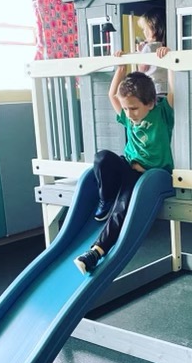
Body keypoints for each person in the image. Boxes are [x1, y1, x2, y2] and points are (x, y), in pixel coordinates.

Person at [74, 47, 173, 275]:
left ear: (150, 103)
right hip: (127, 166)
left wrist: (169, 62)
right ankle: (104, 199)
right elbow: (112, 95)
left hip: (148, 176)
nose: (129, 114)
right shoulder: (129, 116)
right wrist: (121, 68)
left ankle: (95, 252)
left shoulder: (162, 115)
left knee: (123, 208)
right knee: (102, 157)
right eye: (126, 108)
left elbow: (173, 91)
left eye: (134, 108)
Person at [135, 7, 169, 96]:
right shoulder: (164, 46)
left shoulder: (148, 47)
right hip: (167, 86)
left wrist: (140, 53)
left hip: (153, 87)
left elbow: (142, 68)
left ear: (153, 29)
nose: (143, 32)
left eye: (144, 29)